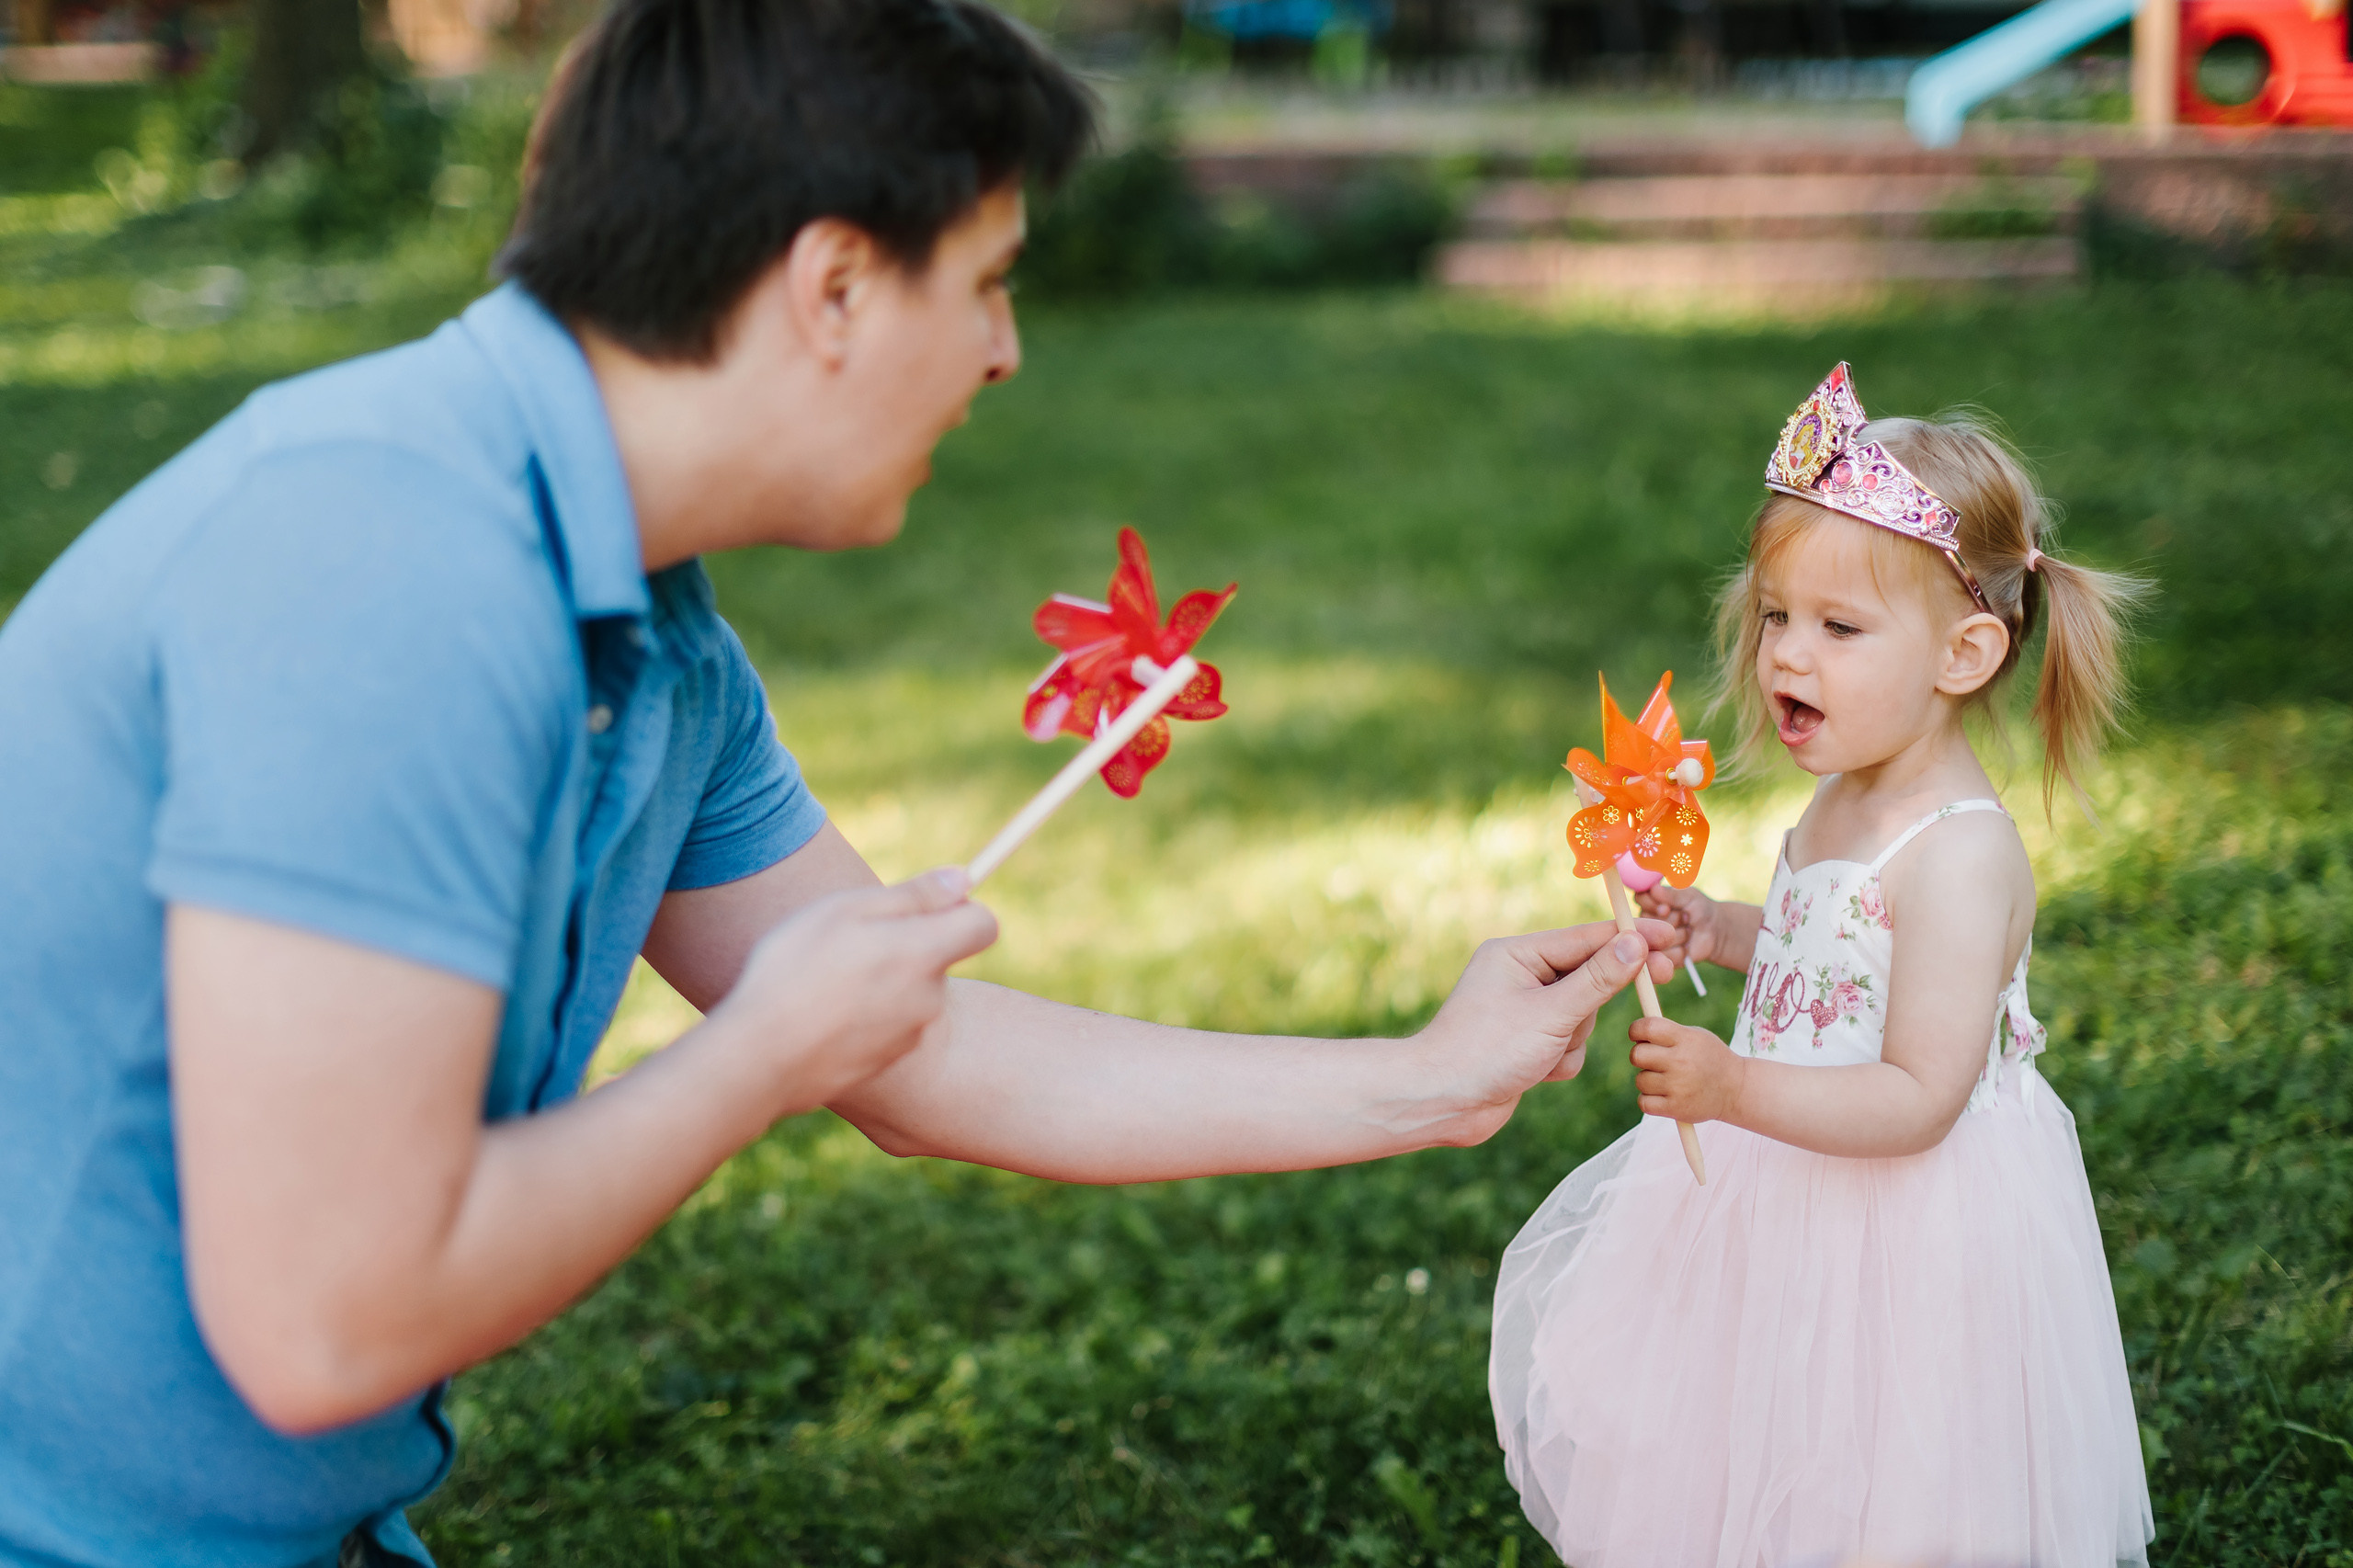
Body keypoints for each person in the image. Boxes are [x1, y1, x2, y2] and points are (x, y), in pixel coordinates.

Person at [0, 2, 1674, 1564]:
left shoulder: (652, 640)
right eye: (991, 280)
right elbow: (325, 1323)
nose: (1007, 350)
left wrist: (1426, 1081)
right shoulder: (387, 574)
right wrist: (756, 1058)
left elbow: (911, 1047)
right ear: (836, 286)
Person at [1488, 364, 2157, 1565]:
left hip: (1907, 1225)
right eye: (1775, 615)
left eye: (1839, 628)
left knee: (1886, 1474)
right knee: (1761, 1436)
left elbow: (1917, 1098)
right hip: (1786, 1178)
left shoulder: (1960, 857)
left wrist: (1733, 1087)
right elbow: (1823, 943)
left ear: (1963, 655)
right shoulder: (1851, 794)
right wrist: (1721, 926)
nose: (1788, 655)